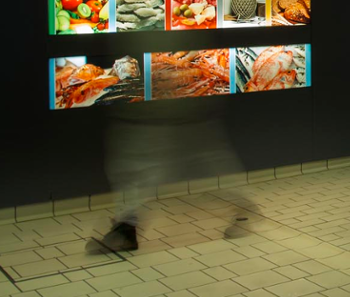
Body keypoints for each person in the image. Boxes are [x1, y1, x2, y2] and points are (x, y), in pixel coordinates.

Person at [88, 104, 259, 253]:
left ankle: (126, 227)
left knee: (135, 164)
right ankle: (126, 226)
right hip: (172, 106)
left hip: (163, 106)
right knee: (209, 157)